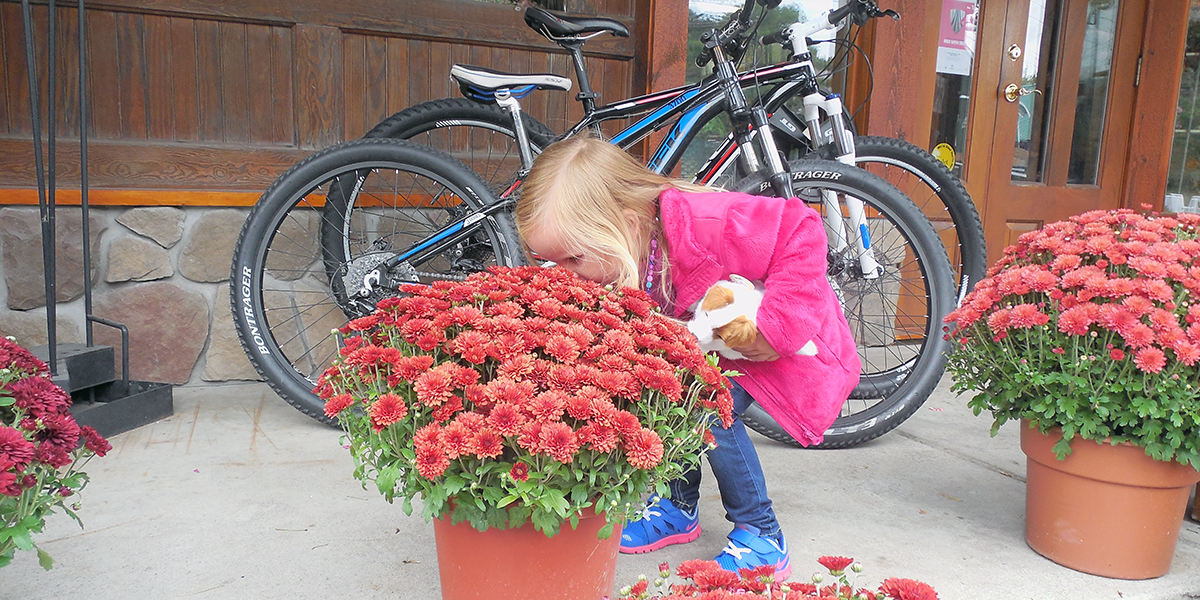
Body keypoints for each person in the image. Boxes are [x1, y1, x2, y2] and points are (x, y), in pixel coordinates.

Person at [514, 136, 860, 578]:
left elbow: (801, 228)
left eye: (573, 259)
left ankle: (762, 532)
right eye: (550, 262)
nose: (563, 275)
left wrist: (776, 329)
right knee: (671, 404)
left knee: (708, 415)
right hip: (713, 347)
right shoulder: (625, 248)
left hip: (780, 340)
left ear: (626, 224)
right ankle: (679, 508)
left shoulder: (710, 223)